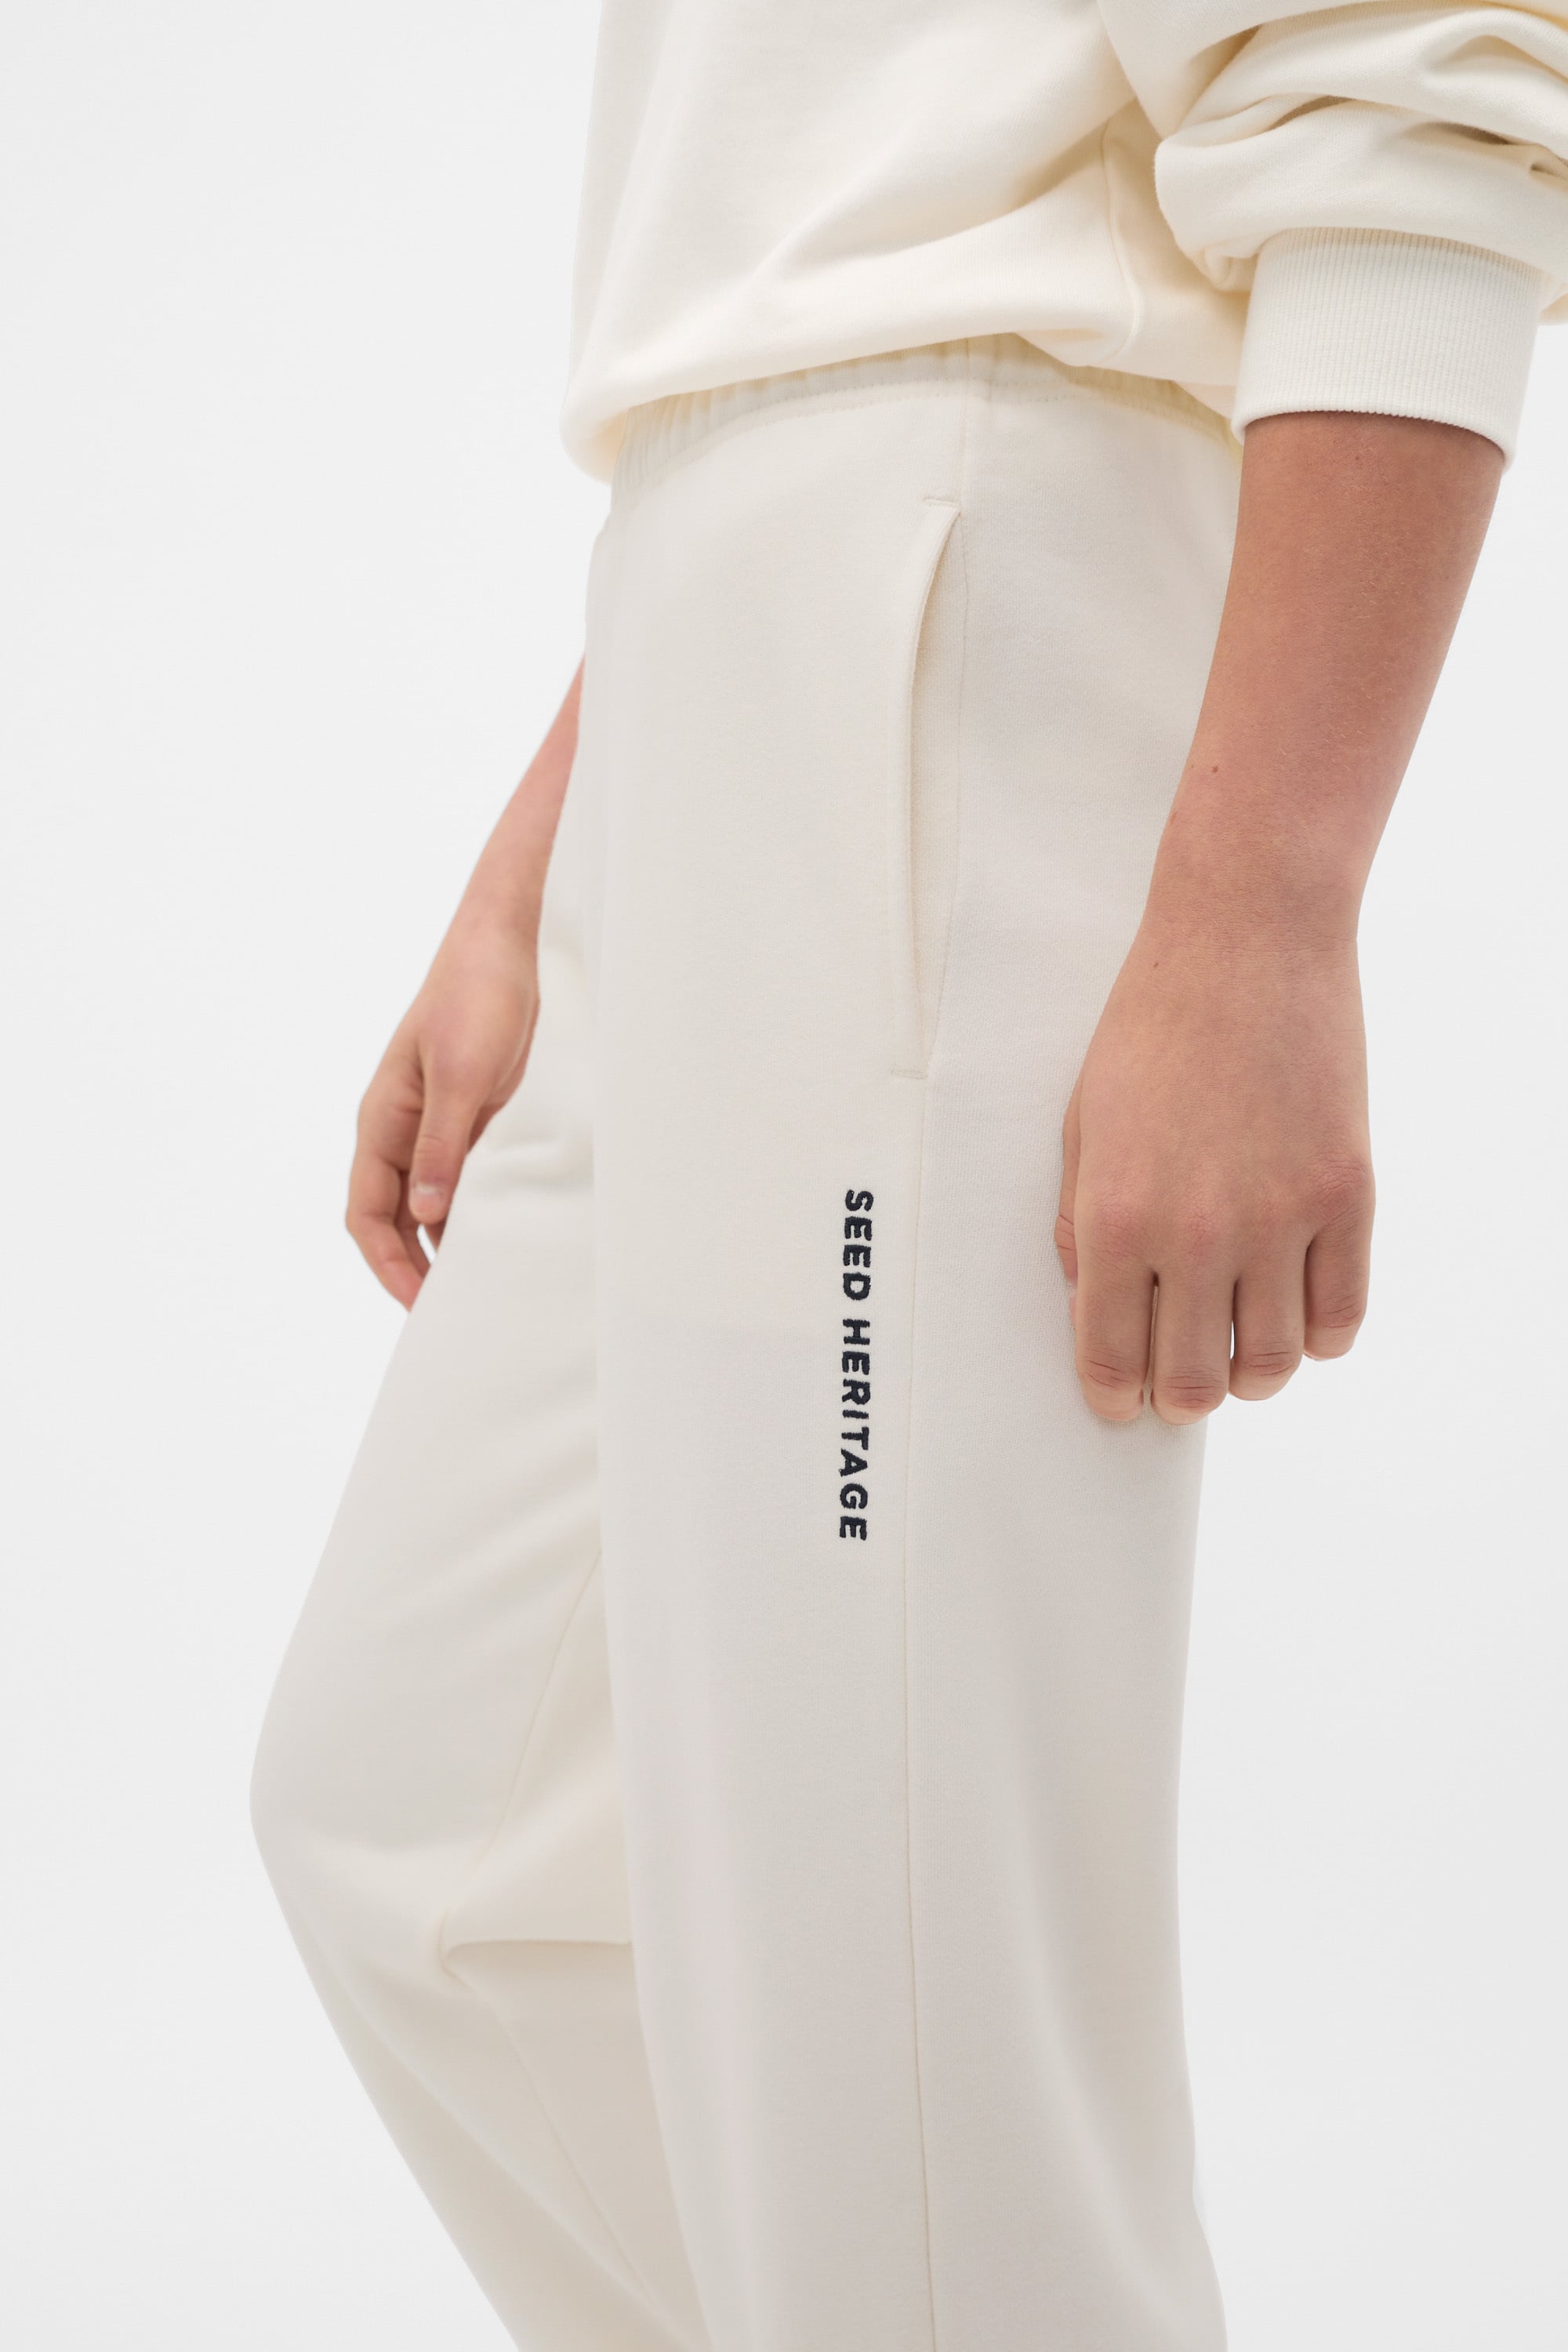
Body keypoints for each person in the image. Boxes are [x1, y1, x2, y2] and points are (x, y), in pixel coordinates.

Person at [247, 5, 1568, 2348]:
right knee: (437, 1838)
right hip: (716, 612)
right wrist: (556, 836)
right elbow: (818, 190)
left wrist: (1268, 900)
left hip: (947, 606)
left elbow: (1409, 81)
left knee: (911, 2036)